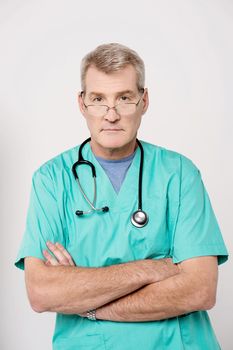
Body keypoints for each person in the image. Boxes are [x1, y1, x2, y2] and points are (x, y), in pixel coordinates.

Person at [15, 43, 228, 350]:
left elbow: (199, 290)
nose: (111, 114)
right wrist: (154, 269)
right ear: (82, 103)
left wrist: (87, 304)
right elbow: (42, 293)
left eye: (124, 98)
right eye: (98, 99)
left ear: (144, 101)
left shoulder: (179, 174)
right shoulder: (51, 180)